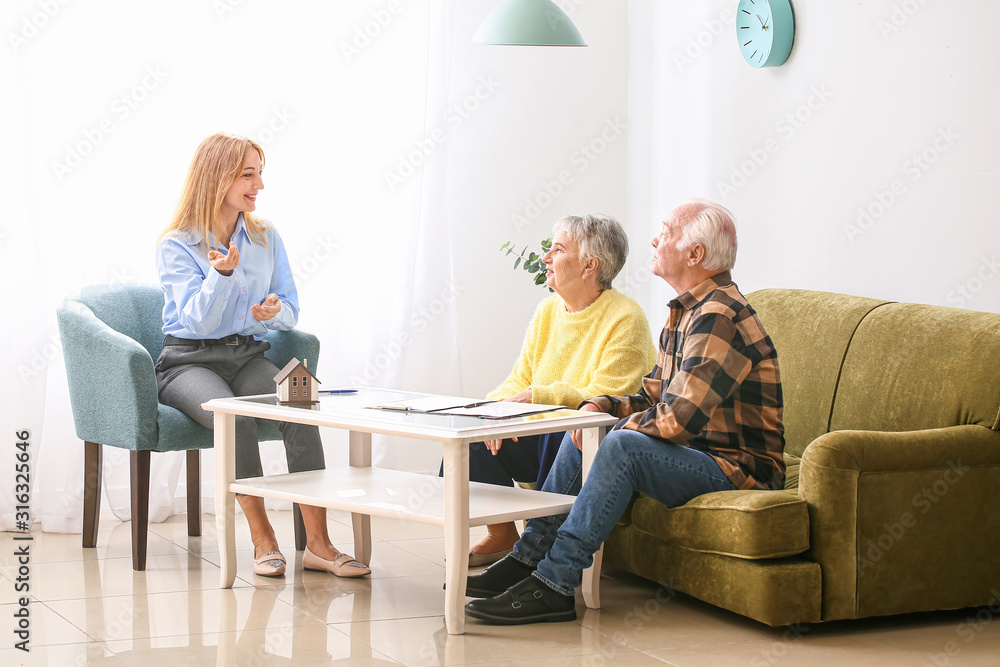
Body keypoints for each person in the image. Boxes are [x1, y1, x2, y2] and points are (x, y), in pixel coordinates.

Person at [464, 198, 785, 624]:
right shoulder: (686, 311)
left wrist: (614, 423)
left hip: (737, 468)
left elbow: (676, 420)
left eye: (666, 232)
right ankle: (528, 559)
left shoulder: (720, 315)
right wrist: (599, 405)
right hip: (699, 454)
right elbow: (654, 397)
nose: (654, 239)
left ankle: (555, 583)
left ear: (695, 254)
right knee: (591, 421)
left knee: (620, 445)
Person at [154, 133, 369, 578]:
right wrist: (220, 276)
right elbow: (194, 322)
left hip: (247, 354)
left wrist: (274, 312)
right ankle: (262, 538)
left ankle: (318, 545)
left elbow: (290, 306)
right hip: (187, 362)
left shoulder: (266, 237)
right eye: (248, 174)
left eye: (260, 173)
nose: (259, 185)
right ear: (218, 178)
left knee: (301, 402)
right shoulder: (177, 243)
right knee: (238, 418)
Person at [457, 213, 656, 567]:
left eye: (558, 249)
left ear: (588, 265)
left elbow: (609, 394)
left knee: (561, 429)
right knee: (471, 435)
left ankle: (538, 546)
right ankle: (502, 534)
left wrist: (540, 396)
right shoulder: (547, 310)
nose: (546, 257)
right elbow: (520, 377)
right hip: (542, 433)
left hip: (582, 442)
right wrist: (492, 410)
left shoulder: (627, 318)